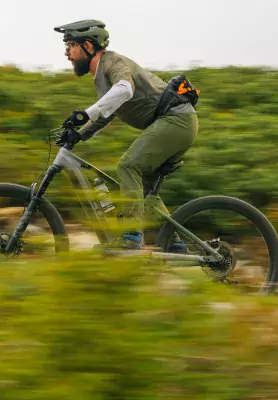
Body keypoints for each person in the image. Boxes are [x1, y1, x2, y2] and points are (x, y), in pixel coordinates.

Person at [54, 19, 198, 251]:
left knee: (128, 166)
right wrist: (79, 135)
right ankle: (175, 244)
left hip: (176, 120)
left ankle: (131, 238)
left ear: (88, 46)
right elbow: (106, 113)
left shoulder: (112, 62)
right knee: (146, 193)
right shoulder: (100, 75)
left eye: (70, 45)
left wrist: (86, 113)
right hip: (177, 122)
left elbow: (124, 89)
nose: (66, 53)